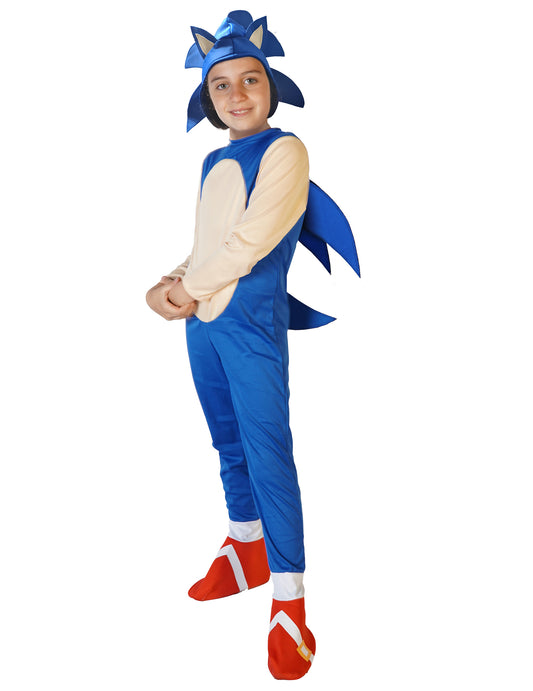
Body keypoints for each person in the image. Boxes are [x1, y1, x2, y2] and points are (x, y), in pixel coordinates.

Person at [146, 11, 359, 680]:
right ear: (206, 99)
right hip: (204, 324)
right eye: (221, 86)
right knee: (228, 441)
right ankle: (246, 547)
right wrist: (169, 283)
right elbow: (210, 242)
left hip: (250, 327)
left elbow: (250, 242)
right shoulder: (213, 159)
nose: (236, 95)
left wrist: (187, 288)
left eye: (249, 80)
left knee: (268, 452)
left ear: (271, 86)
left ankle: (290, 599)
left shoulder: (285, 151)